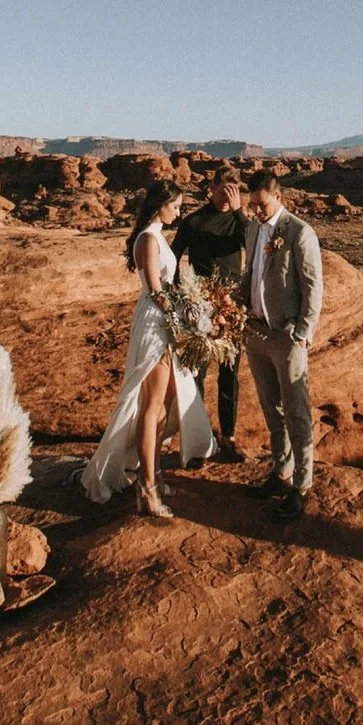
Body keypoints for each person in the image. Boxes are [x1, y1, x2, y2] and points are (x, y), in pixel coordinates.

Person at [81, 179, 216, 516]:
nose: (179, 212)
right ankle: (147, 489)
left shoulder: (156, 236)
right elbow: (157, 290)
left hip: (165, 322)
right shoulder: (148, 239)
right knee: (151, 406)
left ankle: (151, 473)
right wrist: (187, 315)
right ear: (161, 206)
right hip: (156, 325)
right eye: (176, 206)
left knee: (166, 402)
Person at [241, 168, 323, 522]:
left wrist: (303, 332)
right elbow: (251, 274)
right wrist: (235, 306)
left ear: (279, 198)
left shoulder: (299, 233)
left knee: (296, 412)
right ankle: (281, 473)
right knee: (271, 409)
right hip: (256, 331)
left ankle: (302, 486)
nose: (257, 211)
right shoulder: (253, 229)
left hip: (287, 337)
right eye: (253, 205)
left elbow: (312, 287)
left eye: (262, 205)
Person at [171, 165, 248, 463]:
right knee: (197, 375)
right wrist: (186, 298)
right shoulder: (194, 222)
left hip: (232, 310)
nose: (227, 197)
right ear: (211, 188)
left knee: (229, 374)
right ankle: (198, 443)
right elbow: (172, 259)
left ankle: (228, 438)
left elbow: (253, 245)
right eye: (223, 190)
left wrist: (240, 212)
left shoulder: (239, 222)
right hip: (200, 309)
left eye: (233, 191)